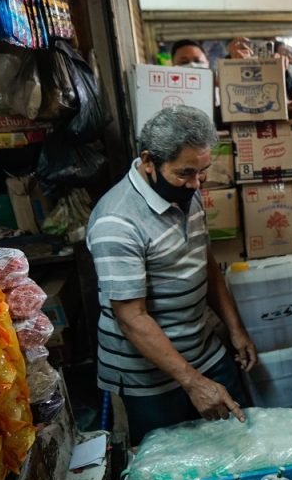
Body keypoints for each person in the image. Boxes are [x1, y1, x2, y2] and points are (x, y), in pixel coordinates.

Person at [87, 107, 255, 445]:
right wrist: (192, 382)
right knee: (175, 461)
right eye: (185, 173)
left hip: (203, 348)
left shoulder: (184, 192)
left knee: (243, 441)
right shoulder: (116, 222)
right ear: (149, 161)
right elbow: (131, 317)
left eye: (202, 171)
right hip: (149, 376)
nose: (196, 184)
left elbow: (204, 260)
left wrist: (235, 329)